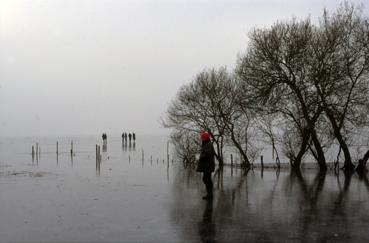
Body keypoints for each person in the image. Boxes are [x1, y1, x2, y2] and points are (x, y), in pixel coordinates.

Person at [196, 131, 215, 200]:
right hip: (207, 166)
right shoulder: (206, 144)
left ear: (205, 138)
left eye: (202, 137)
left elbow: (208, 154)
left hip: (208, 166)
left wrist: (200, 156)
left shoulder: (208, 144)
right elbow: (206, 152)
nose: (201, 139)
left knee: (207, 179)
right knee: (206, 179)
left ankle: (210, 195)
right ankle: (209, 194)